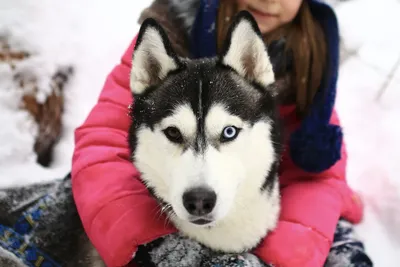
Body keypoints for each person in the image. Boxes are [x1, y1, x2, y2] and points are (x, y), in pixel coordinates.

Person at [71, 0, 374, 266]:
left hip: (267, 209)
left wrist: (282, 257)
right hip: (152, 206)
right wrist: (147, 241)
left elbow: (320, 178)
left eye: (228, 131)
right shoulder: (169, 34)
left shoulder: (311, 62)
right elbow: (102, 142)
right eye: (175, 134)